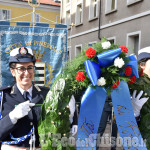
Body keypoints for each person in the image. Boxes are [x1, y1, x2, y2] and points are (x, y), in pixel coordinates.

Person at [0, 47, 50, 150]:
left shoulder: (47, 95)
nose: (26, 73)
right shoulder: (2, 97)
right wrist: (11, 117)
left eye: (30, 67)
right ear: (13, 71)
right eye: (21, 69)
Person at [131, 46, 150, 149]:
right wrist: (135, 113)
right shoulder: (134, 85)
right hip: (142, 141)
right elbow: (118, 120)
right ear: (142, 65)